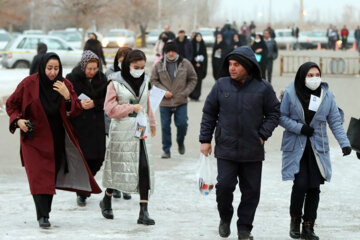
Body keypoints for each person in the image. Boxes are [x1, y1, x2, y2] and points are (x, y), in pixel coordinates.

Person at [6, 52, 101, 228]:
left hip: (57, 139)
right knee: (38, 176)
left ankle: (46, 212)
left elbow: (75, 110)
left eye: (56, 68)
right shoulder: (29, 84)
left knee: (49, 176)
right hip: (33, 138)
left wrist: (67, 96)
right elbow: (11, 104)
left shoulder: (65, 84)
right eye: (49, 68)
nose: (52, 72)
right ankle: (42, 216)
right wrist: (18, 121)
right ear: (42, 67)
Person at [199, 46, 280, 240]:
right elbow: (209, 113)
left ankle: (244, 228)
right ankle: (225, 218)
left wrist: (263, 134)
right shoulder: (221, 85)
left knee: (251, 192)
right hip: (226, 148)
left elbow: (274, 112)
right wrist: (205, 139)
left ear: (248, 66)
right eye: (230, 64)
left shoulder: (263, 87)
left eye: (236, 65)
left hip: (253, 149)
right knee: (224, 187)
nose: (231, 68)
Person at [279, 62, 352, 240]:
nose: (314, 78)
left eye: (316, 74)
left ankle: (309, 226)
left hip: (318, 147)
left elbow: (335, 120)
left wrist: (345, 143)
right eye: (310, 75)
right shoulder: (290, 93)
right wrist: (299, 128)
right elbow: (281, 117)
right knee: (301, 185)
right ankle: (295, 219)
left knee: (314, 188)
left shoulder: (326, 96)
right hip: (297, 146)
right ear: (302, 76)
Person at [101, 49, 156, 225]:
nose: (139, 70)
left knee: (144, 167)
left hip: (141, 129)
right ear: (127, 65)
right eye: (135, 67)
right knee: (120, 168)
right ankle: (107, 198)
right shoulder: (115, 82)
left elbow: (147, 104)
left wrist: (152, 123)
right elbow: (109, 109)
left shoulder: (145, 80)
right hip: (122, 130)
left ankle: (143, 211)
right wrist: (129, 109)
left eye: (142, 66)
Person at [66, 50, 108, 206]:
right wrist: (78, 103)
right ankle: (81, 192)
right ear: (83, 66)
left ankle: (85, 186)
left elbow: (108, 98)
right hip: (80, 124)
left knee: (98, 158)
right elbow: (67, 99)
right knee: (82, 159)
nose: (92, 72)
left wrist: (95, 103)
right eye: (89, 69)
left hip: (97, 124)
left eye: (94, 69)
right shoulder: (72, 78)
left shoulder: (102, 79)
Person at [150, 41, 197, 158]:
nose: (171, 53)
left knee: (182, 125)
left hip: (181, 101)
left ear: (177, 51)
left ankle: (180, 141)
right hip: (165, 102)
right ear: (165, 52)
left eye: (173, 51)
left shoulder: (185, 63)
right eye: (168, 51)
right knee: (165, 127)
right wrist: (163, 91)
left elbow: (193, 78)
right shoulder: (159, 65)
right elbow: (153, 80)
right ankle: (166, 150)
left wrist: (185, 93)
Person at [104, 46, 132, 200]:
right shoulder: (109, 74)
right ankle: (114, 186)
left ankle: (125, 185)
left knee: (127, 155)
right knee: (116, 154)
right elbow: (107, 101)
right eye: (120, 59)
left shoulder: (135, 74)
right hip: (113, 120)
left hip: (130, 121)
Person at [190, 33, 208, 101]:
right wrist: (194, 61)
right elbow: (190, 54)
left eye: (200, 36)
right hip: (193, 66)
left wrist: (200, 63)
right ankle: (192, 95)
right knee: (192, 80)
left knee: (199, 81)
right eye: (197, 36)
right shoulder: (192, 44)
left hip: (200, 66)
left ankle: (197, 95)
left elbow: (204, 55)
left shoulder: (203, 44)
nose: (199, 38)